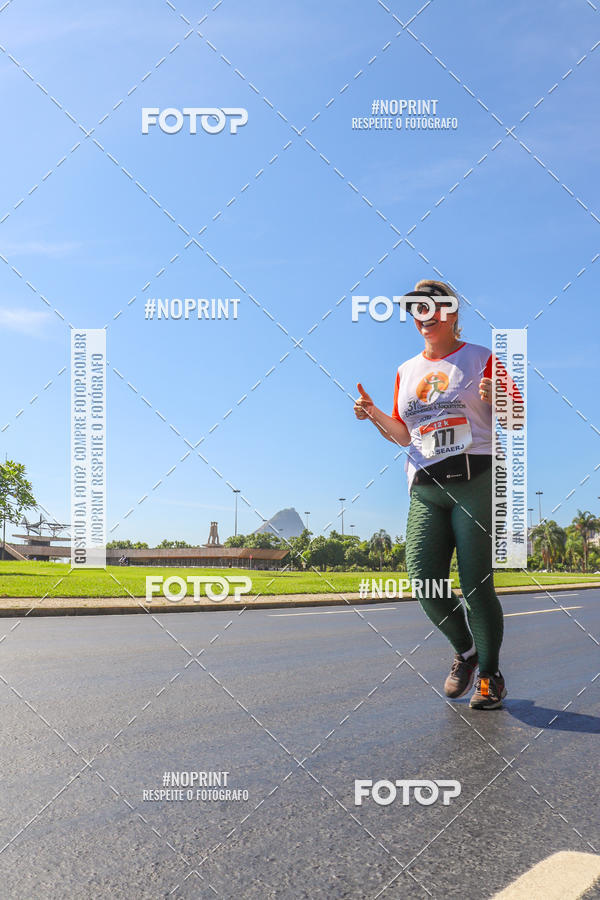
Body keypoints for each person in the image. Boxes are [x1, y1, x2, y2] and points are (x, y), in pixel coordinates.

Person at [354, 278, 507, 710]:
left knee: (476, 585)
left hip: (475, 476)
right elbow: (404, 435)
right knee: (424, 581)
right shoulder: (406, 370)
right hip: (425, 486)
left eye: (435, 306)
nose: (426, 315)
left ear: (453, 313)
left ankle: (491, 677)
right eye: (417, 308)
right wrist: (374, 414)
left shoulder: (482, 358)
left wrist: (499, 398)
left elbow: (516, 418)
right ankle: (467, 652)